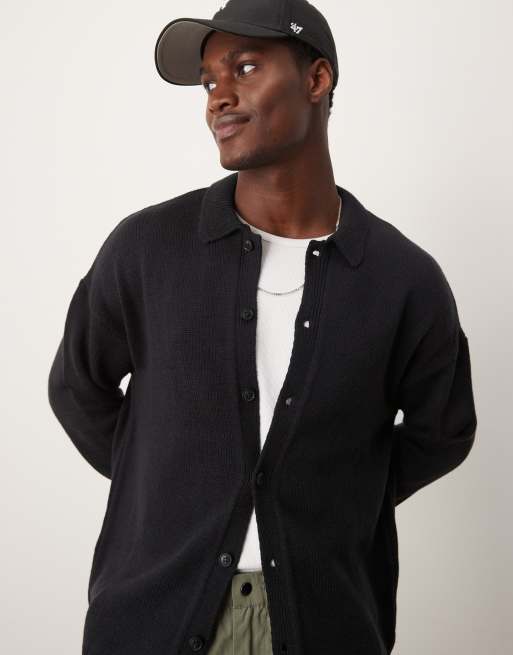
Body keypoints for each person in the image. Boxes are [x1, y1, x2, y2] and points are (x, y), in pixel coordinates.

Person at [48, 1, 478, 653]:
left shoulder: (402, 279)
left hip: (326, 624)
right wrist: (168, 480)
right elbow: (77, 387)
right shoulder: (148, 249)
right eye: (208, 81)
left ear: (316, 79)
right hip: (150, 624)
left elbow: (442, 431)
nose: (217, 97)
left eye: (245, 68)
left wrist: (334, 490)